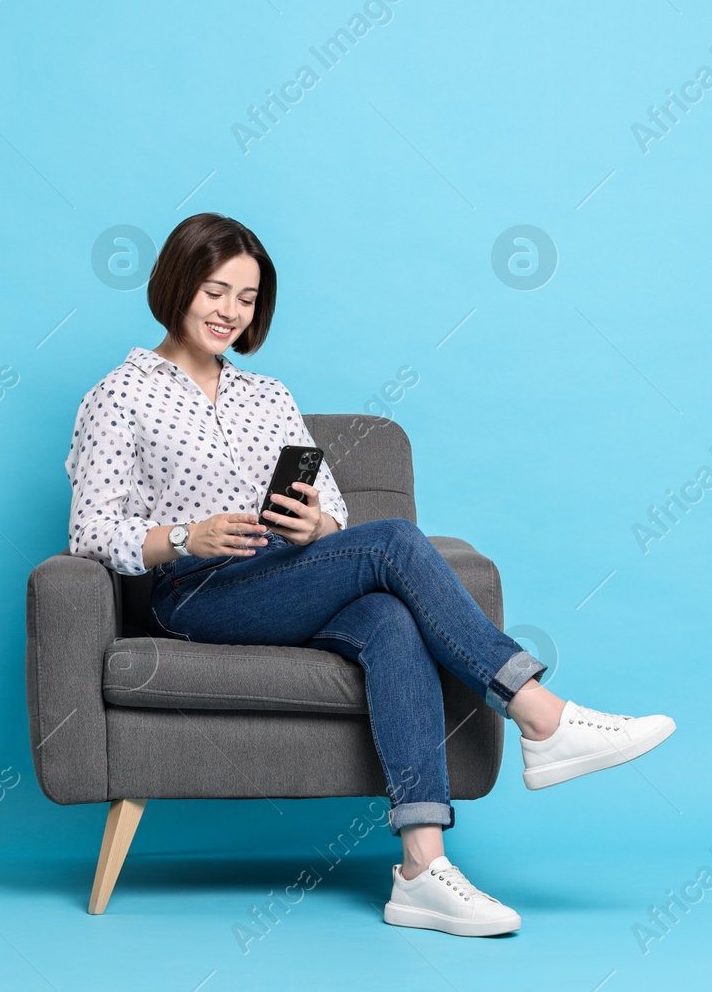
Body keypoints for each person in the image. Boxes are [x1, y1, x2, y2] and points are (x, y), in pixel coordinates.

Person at [64, 212, 676, 937]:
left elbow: (333, 506)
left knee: (389, 618)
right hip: (196, 590)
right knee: (393, 544)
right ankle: (537, 711)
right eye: (215, 290)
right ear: (177, 285)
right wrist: (184, 535)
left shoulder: (269, 396)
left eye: (248, 298)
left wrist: (316, 526)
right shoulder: (120, 394)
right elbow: (91, 531)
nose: (230, 311)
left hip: (284, 572)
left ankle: (421, 869)